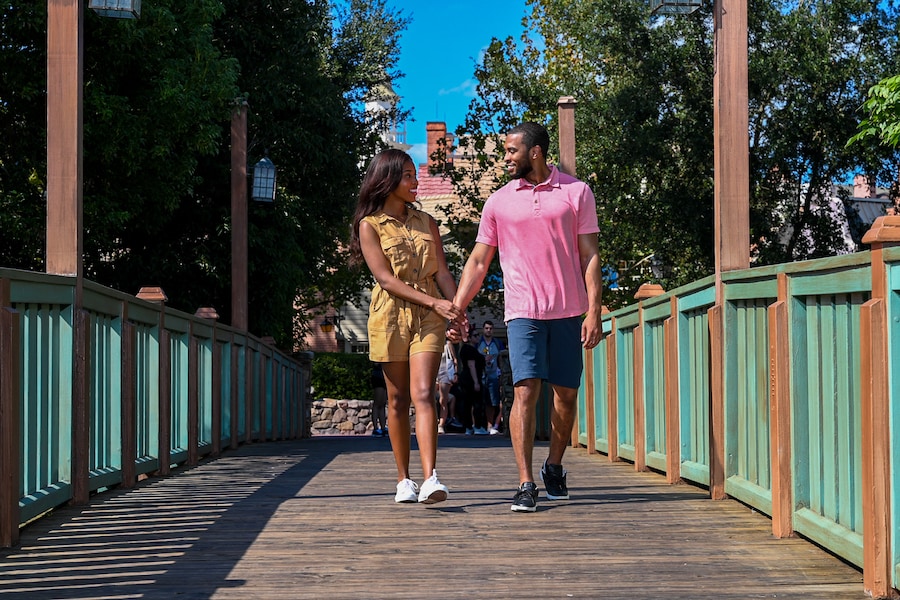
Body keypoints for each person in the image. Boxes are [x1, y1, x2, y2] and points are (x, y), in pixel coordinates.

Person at [450, 122, 603, 512]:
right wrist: (458, 306)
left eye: (511, 151)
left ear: (535, 152)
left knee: (566, 396)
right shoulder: (498, 202)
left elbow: (590, 256)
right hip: (522, 312)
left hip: (568, 310)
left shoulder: (576, 192)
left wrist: (594, 311)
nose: (505, 158)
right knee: (524, 391)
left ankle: (554, 465)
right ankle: (525, 482)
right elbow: (479, 260)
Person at [349, 148, 461, 504]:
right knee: (397, 400)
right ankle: (404, 479)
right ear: (389, 179)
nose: (416, 183)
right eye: (409, 176)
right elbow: (384, 279)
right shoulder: (370, 226)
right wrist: (435, 303)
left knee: (424, 394)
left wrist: (455, 311)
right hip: (391, 315)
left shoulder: (428, 223)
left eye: (415, 175)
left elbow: (442, 271)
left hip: (429, 316)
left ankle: (431, 478)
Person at [476, 320, 505, 434]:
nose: (489, 330)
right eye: (486, 328)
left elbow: (502, 358)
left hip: (493, 375)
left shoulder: (497, 343)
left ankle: (490, 425)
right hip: (481, 375)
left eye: (491, 328)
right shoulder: (478, 343)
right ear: (483, 329)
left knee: (492, 401)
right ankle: (477, 425)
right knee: (478, 401)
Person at [458, 325, 487, 435]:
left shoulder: (467, 349)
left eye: (478, 335)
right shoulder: (469, 350)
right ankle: (477, 426)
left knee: (467, 403)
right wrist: (476, 382)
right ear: (469, 338)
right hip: (471, 379)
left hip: (466, 379)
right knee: (476, 403)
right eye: (475, 335)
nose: (477, 337)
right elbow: (471, 365)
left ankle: (469, 427)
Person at [436, 334, 458, 434]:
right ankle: (433, 421)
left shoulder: (447, 344)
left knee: (443, 399)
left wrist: (455, 374)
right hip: (434, 373)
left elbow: (454, 360)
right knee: (430, 398)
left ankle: (441, 424)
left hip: (445, 372)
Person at [370, 363, 388, 437]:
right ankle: (375, 428)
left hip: (385, 377)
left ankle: (383, 428)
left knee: (383, 403)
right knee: (377, 403)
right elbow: (376, 363)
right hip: (378, 376)